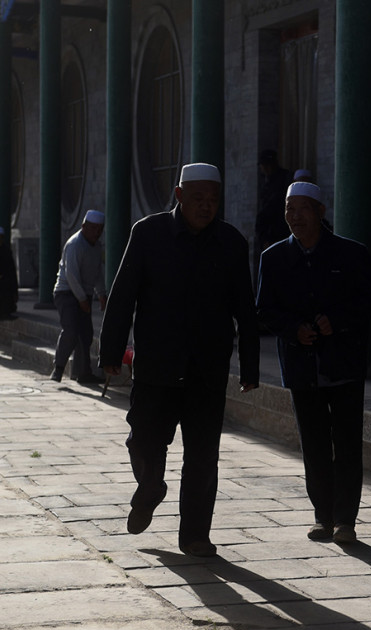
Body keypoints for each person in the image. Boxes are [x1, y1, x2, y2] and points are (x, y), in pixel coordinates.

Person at [99, 163, 260, 558]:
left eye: (213, 200)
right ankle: (151, 486)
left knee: (203, 455)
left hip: (207, 368)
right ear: (179, 195)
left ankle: (195, 536)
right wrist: (111, 351)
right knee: (143, 440)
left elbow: (245, 308)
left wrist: (250, 365)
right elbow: (123, 295)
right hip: (156, 365)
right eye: (198, 199)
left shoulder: (231, 243)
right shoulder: (148, 233)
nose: (206, 207)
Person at [256, 182, 371, 544]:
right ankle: (322, 517)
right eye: (289, 208)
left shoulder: (351, 254)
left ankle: (346, 520)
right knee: (313, 446)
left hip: (344, 364)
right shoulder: (274, 258)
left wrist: (338, 320)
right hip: (301, 367)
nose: (294, 216)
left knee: (347, 444)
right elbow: (264, 309)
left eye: (302, 209)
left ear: (320, 212)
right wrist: (293, 329)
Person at [51, 210, 108, 383]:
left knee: (86, 334)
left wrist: (101, 293)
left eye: (100, 229)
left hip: (85, 294)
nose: (96, 232)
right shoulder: (75, 244)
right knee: (71, 330)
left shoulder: (97, 246)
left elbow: (97, 272)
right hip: (67, 292)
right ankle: (58, 368)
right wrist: (82, 299)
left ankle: (83, 373)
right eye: (93, 228)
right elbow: (72, 275)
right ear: (84, 226)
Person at [254, 149, 294, 282]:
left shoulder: (283, 180)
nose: (264, 169)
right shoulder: (267, 182)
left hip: (281, 231)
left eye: (266, 165)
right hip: (270, 234)